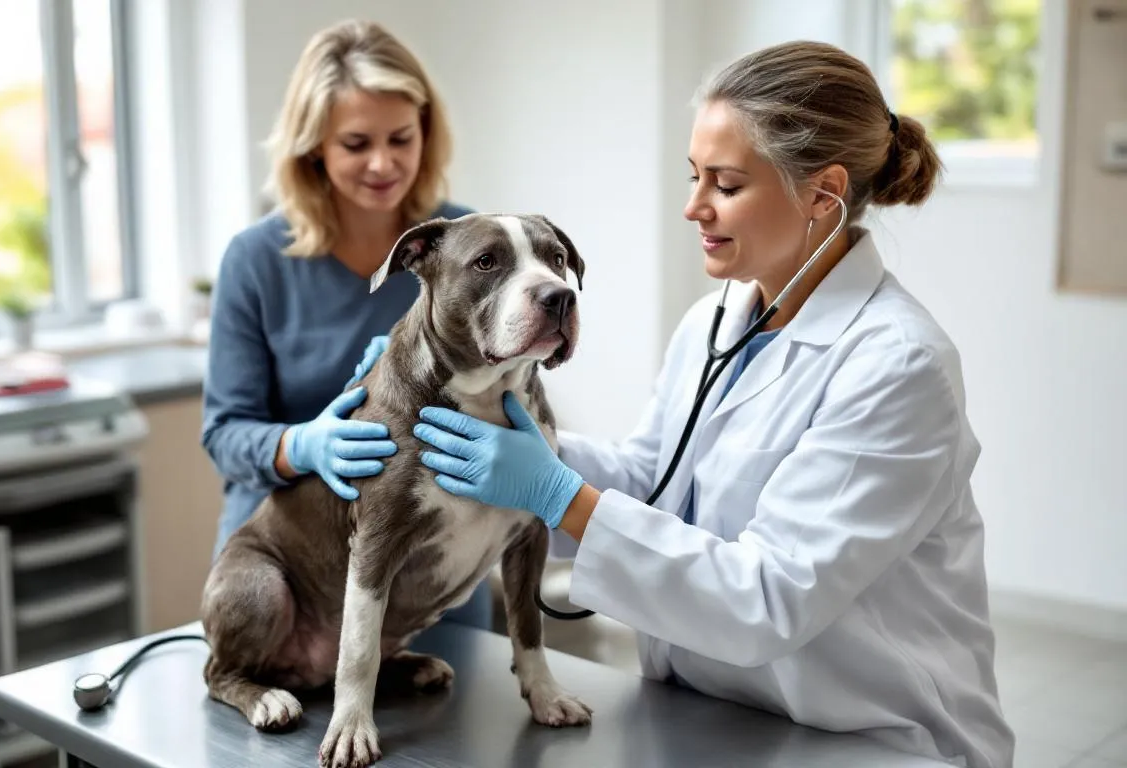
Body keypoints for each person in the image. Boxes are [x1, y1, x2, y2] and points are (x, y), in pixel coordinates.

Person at [357, 41, 1015, 767]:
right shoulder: (719, 320)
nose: (692, 206)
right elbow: (657, 478)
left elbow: (770, 597)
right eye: (694, 176)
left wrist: (554, 492)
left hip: (870, 737)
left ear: (822, 197)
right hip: (715, 715)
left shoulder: (899, 365)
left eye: (725, 184)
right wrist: (499, 447)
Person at [199, 19, 492, 630]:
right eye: (356, 144)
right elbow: (225, 432)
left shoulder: (467, 245)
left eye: (401, 139)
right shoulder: (256, 261)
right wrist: (301, 445)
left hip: (436, 564)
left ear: (426, 134)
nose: (383, 164)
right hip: (293, 577)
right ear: (314, 148)